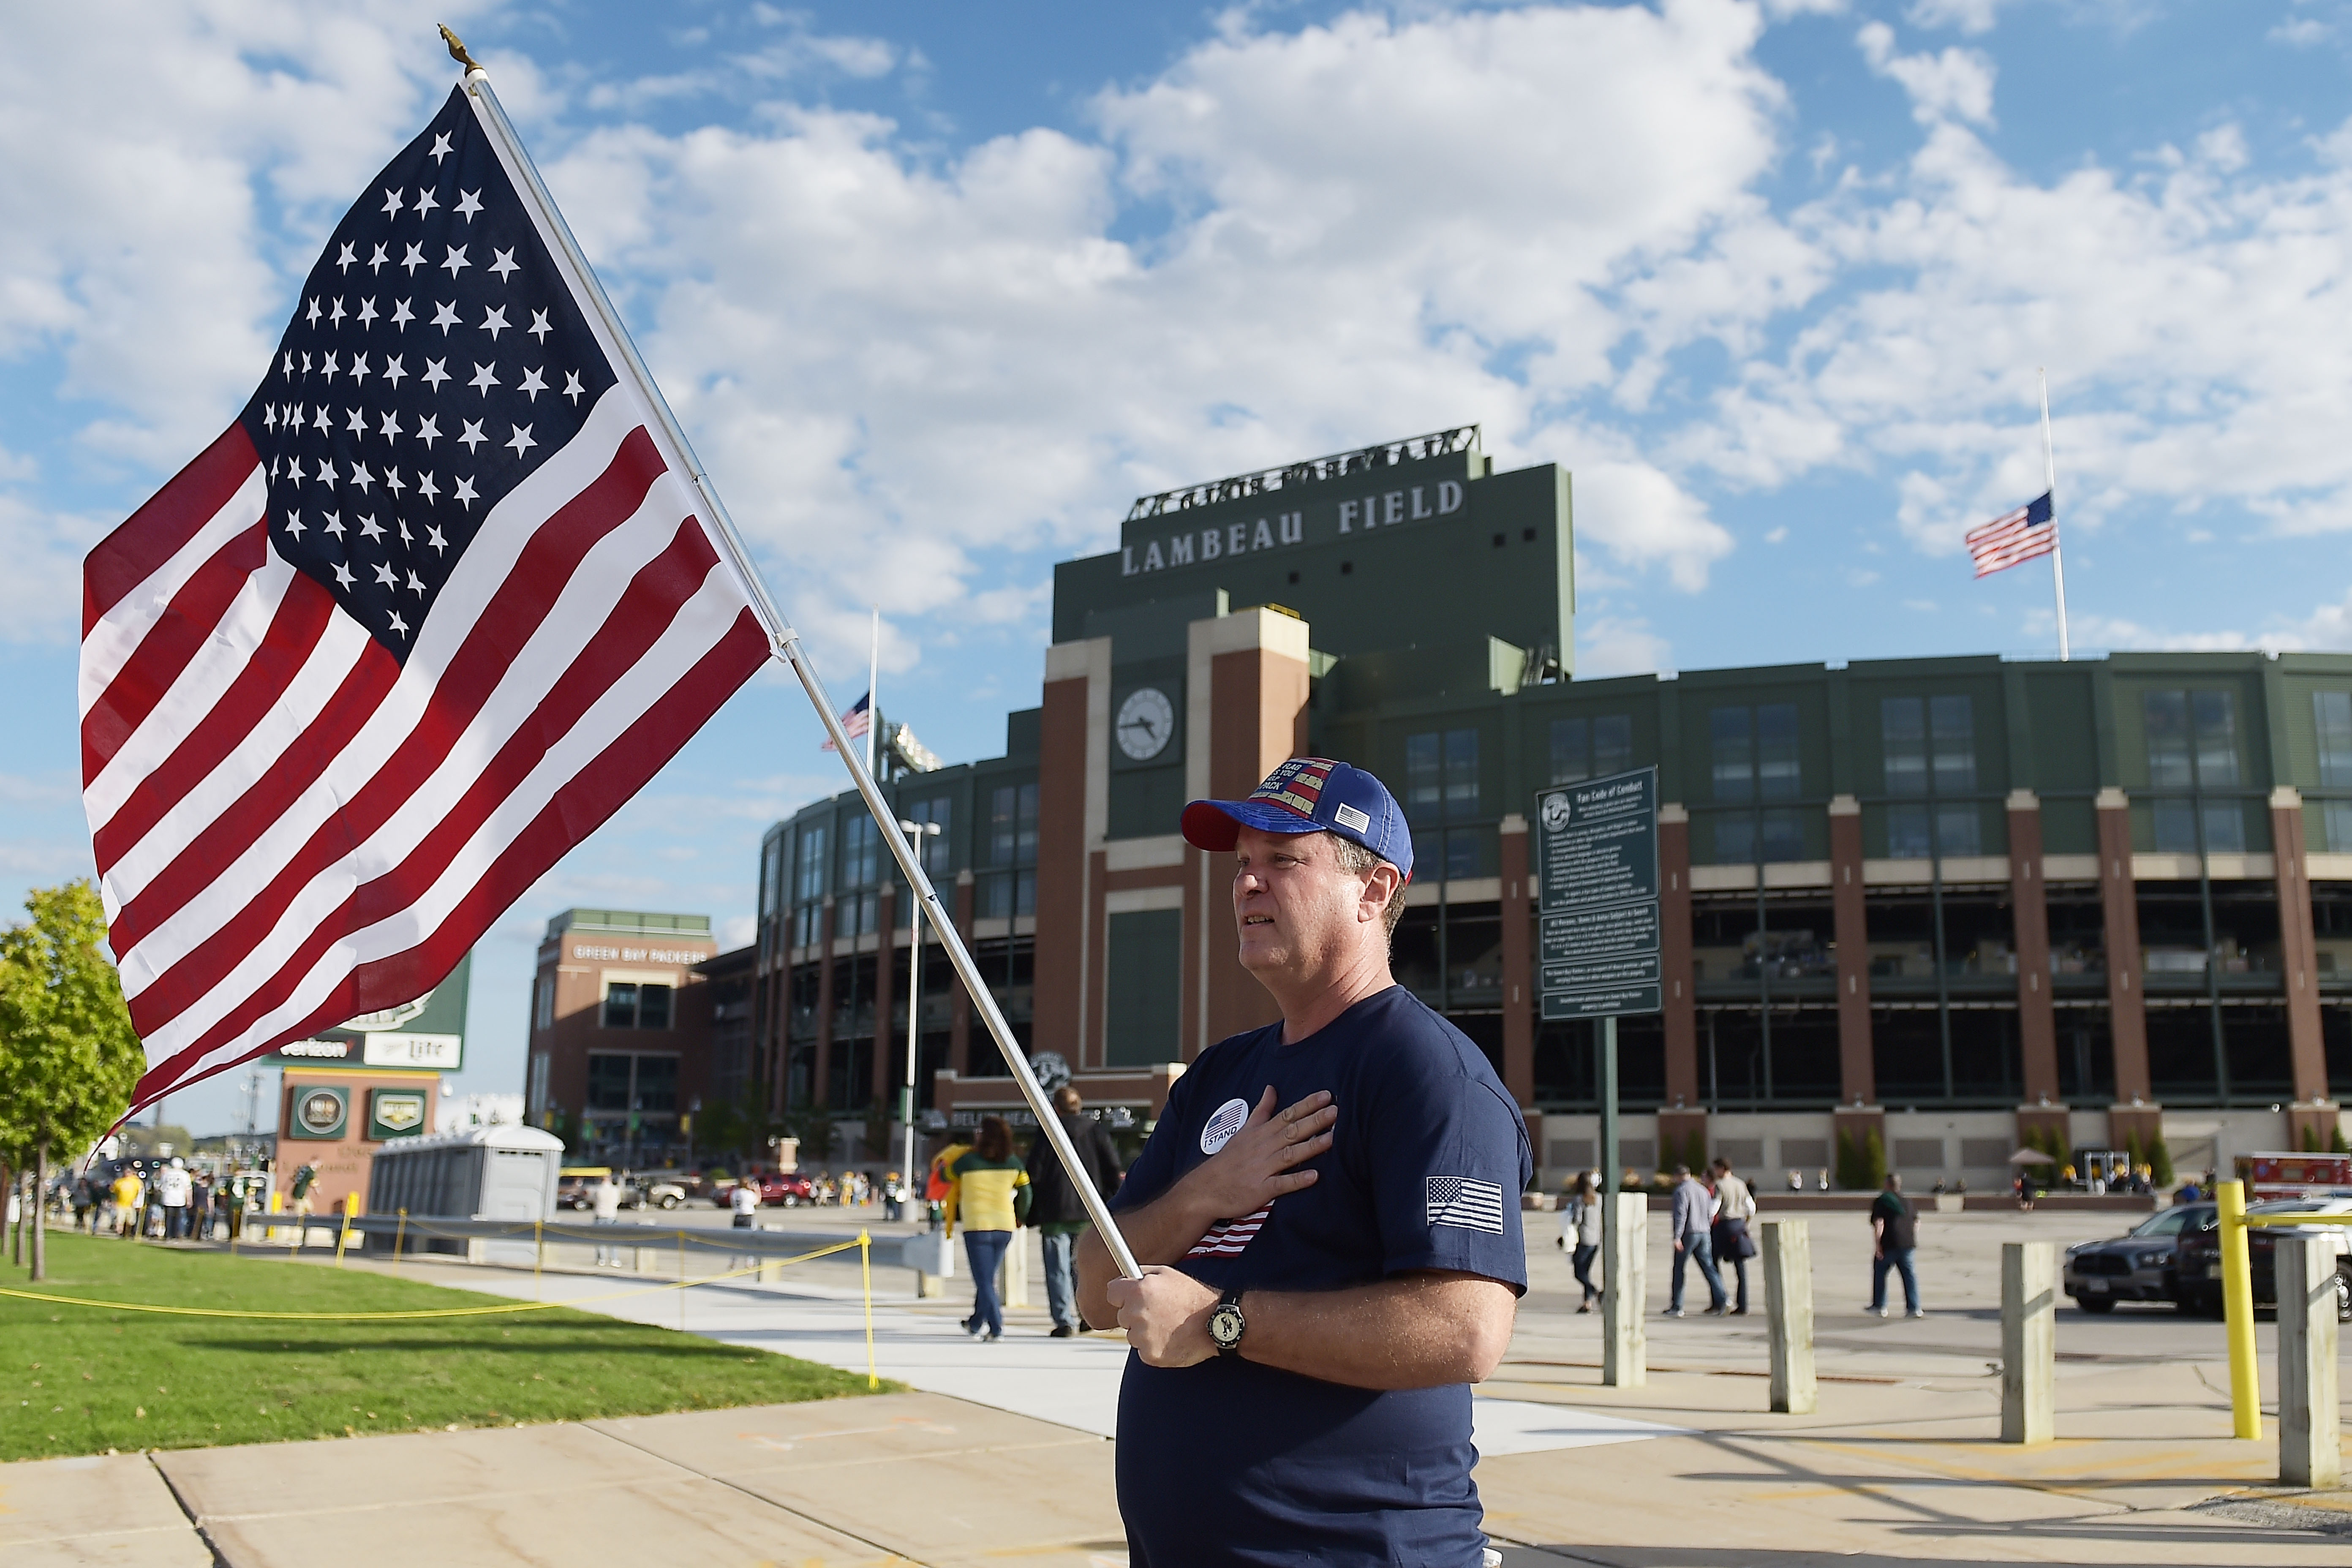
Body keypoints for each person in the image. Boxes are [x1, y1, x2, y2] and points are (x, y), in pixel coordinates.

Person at [1075, 758, 1528, 1567]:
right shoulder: (1218, 1075)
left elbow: (1465, 1330)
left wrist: (1221, 1323)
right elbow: (1090, 1286)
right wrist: (1206, 1192)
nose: (1247, 883)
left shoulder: (1428, 1075)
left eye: (1283, 860)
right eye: (1242, 863)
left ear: (1373, 889)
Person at [1025, 1083, 1125, 1338]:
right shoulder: (1096, 1131)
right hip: (1089, 1213)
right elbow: (1112, 1169)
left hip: (1055, 1212)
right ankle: (1087, 1316)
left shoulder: (1048, 1132)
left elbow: (1033, 1173)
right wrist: (1109, 1203)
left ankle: (1063, 1320)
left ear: (1056, 1108)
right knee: (1083, 1267)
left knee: (1057, 1269)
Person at [947, 1116, 1029, 1341]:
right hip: (1005, 1226)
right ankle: (975, 1323)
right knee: (987, 1278)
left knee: (984, 1281)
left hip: (977, 1227)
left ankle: (996, 1328)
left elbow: (946, 1175)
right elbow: (1026, 1192)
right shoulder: (1014, 1162)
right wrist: (1020, 1216)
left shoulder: (967, 1162)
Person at [1666, 1164, 1726, 1317]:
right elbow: (1710, 1213)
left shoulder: (1681, 1191)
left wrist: (1677, 1237)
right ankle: (1724, 1300)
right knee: (1709, 1268)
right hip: (1704, 1232)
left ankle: (1677, 1306)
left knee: (1679, 1269)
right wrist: (1707, 1227)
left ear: (1678, 1176)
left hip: (1689, 1233)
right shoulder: (1703, 1190)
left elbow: (1681, 1215)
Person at [1867, 1172, 1922, 1318]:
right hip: (1908, 1244)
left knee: (1880, 1272)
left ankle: (1880, 1306)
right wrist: (1911, 1236)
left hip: (1890, 1243)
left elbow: (1880, 1223)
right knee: (1909, 1275)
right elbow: (1917, 1222)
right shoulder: (1908, 1201)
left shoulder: (1883, 1201)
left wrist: (1878, 1245)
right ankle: (1914, 1308)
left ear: (1887, 1185)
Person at [1710, 1157, 1757, 1315]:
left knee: (1713, 1263)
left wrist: (1708, 1223)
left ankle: (1719, 1300)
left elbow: (1714, 1209)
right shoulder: (1740, 1184)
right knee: (1741, 1268)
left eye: (1716, 1169)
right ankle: (1743, 1305)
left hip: (1724, 1226)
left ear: (1721, 1169)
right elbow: (1751, 1208)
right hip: (1739, 1226)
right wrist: (1746, 1223)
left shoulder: (1720, 1185)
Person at [1560, 1171, 1603, 1312]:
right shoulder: (1599, 1198)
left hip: (1583, 1239)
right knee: (1586, 1271)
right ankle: (1587, 1304)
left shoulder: (1580, 1200)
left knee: (1579, 1273)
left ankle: (1596, 1292)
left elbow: (1577, 1220)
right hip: (1596, 1239)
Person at [157, 1157, 192, 1240]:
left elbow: (162, 1185)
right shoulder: (185, 1174)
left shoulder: (167, 1174)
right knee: (178, 1218)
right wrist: (189, 1200)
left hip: (168, 1198)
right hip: (180, 1199)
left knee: (168, 1218)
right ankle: (176, 1235)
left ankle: (168, 1235)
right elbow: (188, 1188)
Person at [592, 1172, 623, 1266]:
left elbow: (595, 1201)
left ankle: (601, 1259)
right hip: (612, 1215)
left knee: (600, 1239)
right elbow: (618, 1202)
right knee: (613, 1240)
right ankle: (614, 1259)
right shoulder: (615, 1190)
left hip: (601, 1215)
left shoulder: (599, 1190)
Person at [111, 1165, 143, 1239]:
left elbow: (141, 1193)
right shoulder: (119, 1182)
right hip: (121, 1205)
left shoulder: (137, 1182)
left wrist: (138, 1203)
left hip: (131, 1205)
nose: (127, 1174)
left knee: (131, 1221)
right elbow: (113, 1192)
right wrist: (114, 1201)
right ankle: (120, 1234)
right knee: (120, 1221)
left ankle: (128, 1234)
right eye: (126, 1172)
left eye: (129, 1172)